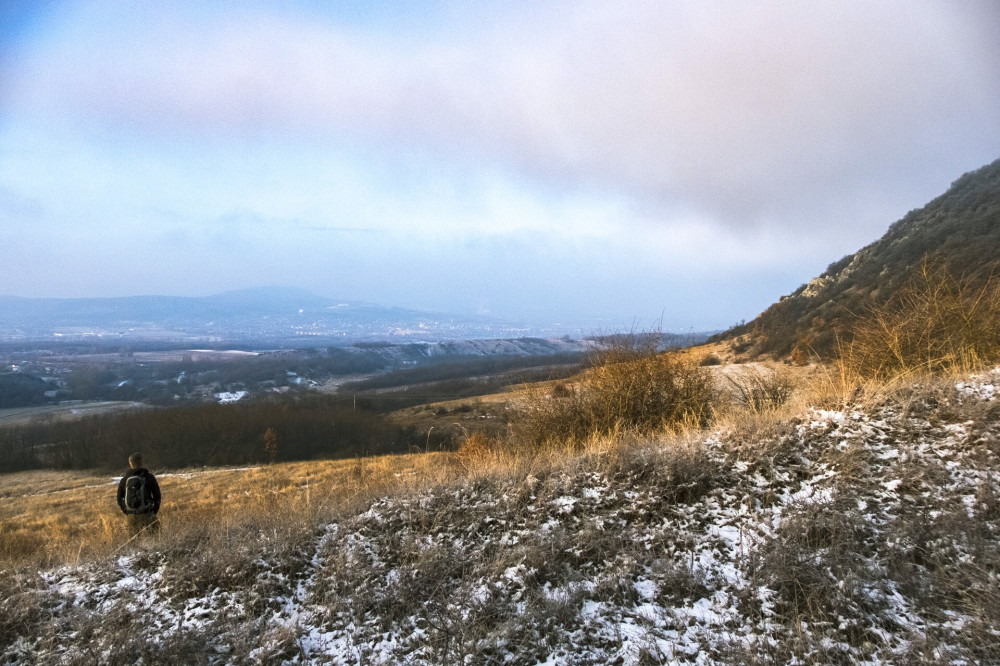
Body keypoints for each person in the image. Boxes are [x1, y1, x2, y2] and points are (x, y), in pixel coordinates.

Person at [116, 452, 161, 538]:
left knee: (134, 545)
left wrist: (126, 511)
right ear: (141, 462)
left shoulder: (124, 480)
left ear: (130, 463)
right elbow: (157, 496)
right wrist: (154, 511)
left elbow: (119, 498)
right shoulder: (149, 477)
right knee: (156, 539)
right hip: (148, 512)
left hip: (132, 515)